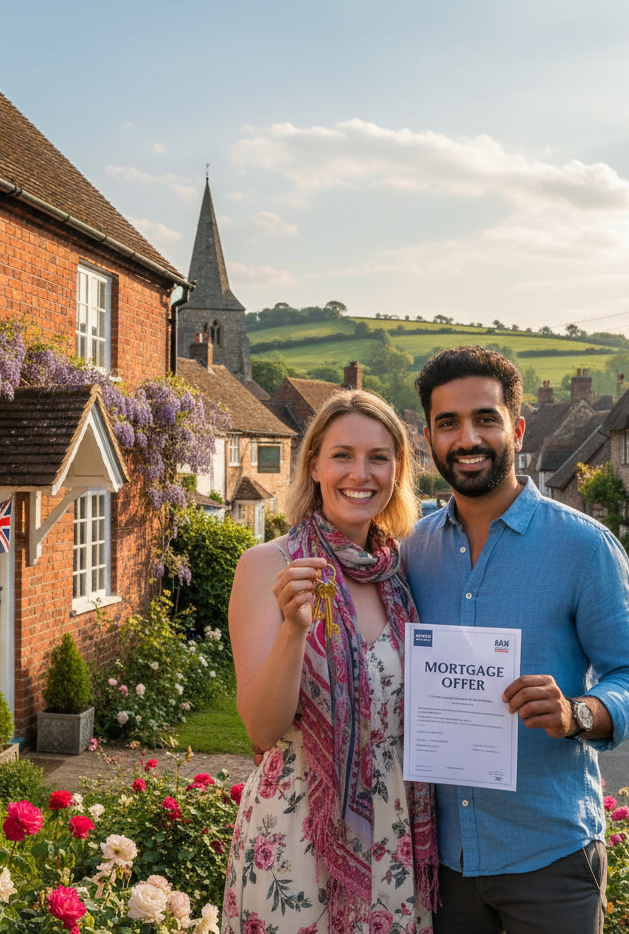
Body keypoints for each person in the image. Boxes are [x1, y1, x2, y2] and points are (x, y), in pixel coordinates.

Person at [403, 346, 629, 934]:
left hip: (549, 858)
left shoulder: (584, 547)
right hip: (442, 862)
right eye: (449, 423)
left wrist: (577, 712)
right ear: (429, 437)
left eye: (485, 419)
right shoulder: (410, 551)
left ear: (516, 428)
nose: (467, 438)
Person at [224, 390, 438, 934]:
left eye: (379, 457)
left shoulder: (399, 575)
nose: (359, 473)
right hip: (296, 829)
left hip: (393, 833)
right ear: (314, 464)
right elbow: (263, 728)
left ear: (397, 471)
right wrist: (295, 630)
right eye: (342, 455)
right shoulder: (268, 565)